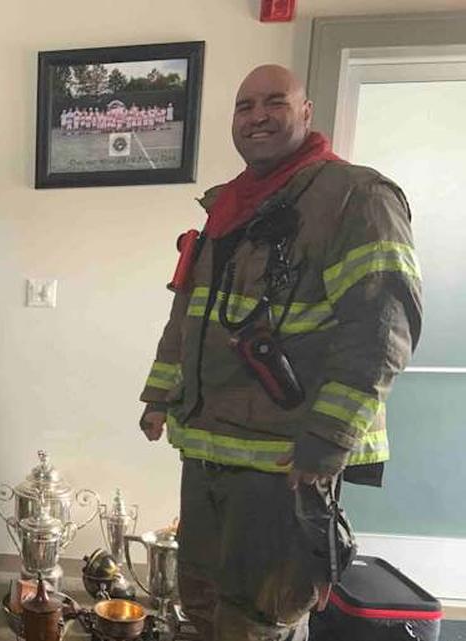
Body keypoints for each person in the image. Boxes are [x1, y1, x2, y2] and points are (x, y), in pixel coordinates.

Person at [139, 65, 422, 640]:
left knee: (261, 614)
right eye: (245, 106)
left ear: (307, 112)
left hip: (284, 460)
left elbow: (382, 327)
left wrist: (329, 437)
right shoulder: (228, 208)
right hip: (210, 448)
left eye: (275, 102)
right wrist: (158, 396)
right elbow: (188, 316)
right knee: (201, 600)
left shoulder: (356, 197)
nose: (258, 117)